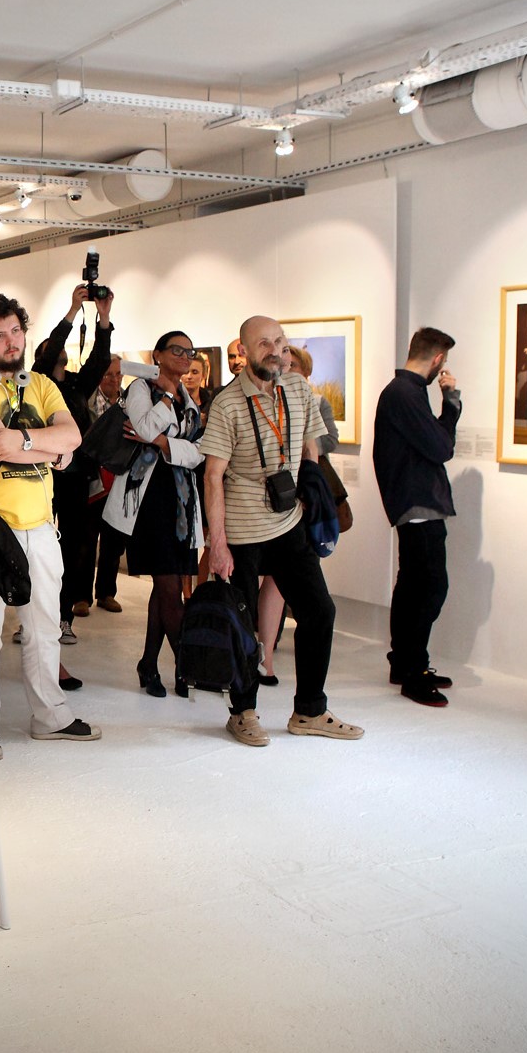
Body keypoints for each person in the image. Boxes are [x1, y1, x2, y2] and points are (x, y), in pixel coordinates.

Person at [0, 293, 98, 757]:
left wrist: (26, 440)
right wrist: (52, 450)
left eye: (15, 331)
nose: (11, 342)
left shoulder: (42, 384)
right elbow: (1, 447)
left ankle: (50, 715)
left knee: (45, 627)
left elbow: (73, 437)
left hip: (41, 527)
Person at [198, 315, 362, 747]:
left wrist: (307, 487)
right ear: (244, 351)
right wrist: (217, 544)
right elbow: (212, 476)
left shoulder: (298, 389)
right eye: (264, 344)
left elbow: (311, 443)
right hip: (242, 530)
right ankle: (243, 712)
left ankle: (310, 710)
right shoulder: (228, 404)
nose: (275, 351)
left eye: (280, 342)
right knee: (243, 623)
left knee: (319, 611)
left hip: (289, 523)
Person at [101, 332, 204, 696]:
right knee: (169, 589)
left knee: (166, 590)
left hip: (181, 503)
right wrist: (167, 398)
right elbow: (142, 427)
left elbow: (199, 452)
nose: (184, 356)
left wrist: (162, 443)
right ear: (157, 354)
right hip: (148, 502)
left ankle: (148, 664)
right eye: (176, 350)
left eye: (189, 352)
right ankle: (188, 665)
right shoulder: (141, 389)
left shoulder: (189, 397)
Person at [373, 327, 462, 708]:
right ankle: (412, 671)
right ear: (437, 359)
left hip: (415, 503)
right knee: (429, 587)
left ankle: (407, 663)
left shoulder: (405, 392)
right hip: (418, 505)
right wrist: (452, 403)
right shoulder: (405, 393)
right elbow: (441, 448)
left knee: (413, 586)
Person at [31, 283, 115, 637]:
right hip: (40, 472)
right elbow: (51, 350)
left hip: (76, 474)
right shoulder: (37, 381)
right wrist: (71, 311)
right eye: (55, 348)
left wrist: (103, 317)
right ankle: (34, 617)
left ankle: (63, 617)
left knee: (74, 546)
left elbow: (100, 359)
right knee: (38, 545)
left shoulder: (79, 385)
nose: (60, 351)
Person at [253, 344, 338, 683]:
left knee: (298, 593)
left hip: (300, 499)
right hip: (267, 503)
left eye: (294, 367)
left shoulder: (313, 401)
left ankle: (269, 658)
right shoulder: (259, 400)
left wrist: (303, 443)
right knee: (268, 581)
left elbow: (324, 441)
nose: (288, 371)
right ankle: (262, 656)